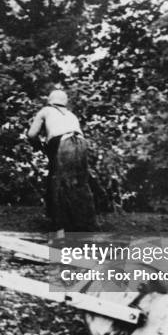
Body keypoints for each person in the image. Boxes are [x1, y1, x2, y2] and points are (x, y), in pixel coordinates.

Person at [27, 89, 97, 238]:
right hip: (82, 144)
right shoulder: (71, 115)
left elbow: (31, 135)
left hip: (64, 144)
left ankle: (61, 229)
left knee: (59, 185)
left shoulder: (45, 110)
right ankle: (85, 226)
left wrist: (39, 146)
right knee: (80, 184)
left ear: (49, 100)